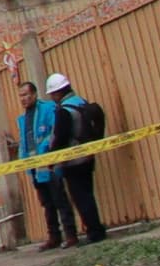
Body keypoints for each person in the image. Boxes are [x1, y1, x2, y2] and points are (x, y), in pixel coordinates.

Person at [28, 72, 109, 245]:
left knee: (81, 197)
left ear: (57, 93)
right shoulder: (81, 102)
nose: (52, 98)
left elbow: (59, 137)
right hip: (88, 156)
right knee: (88, 194)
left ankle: (94, 233)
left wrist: (52, 159)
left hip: (73, 161)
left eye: (52, 94)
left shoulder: (64, 111)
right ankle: (96, 229)